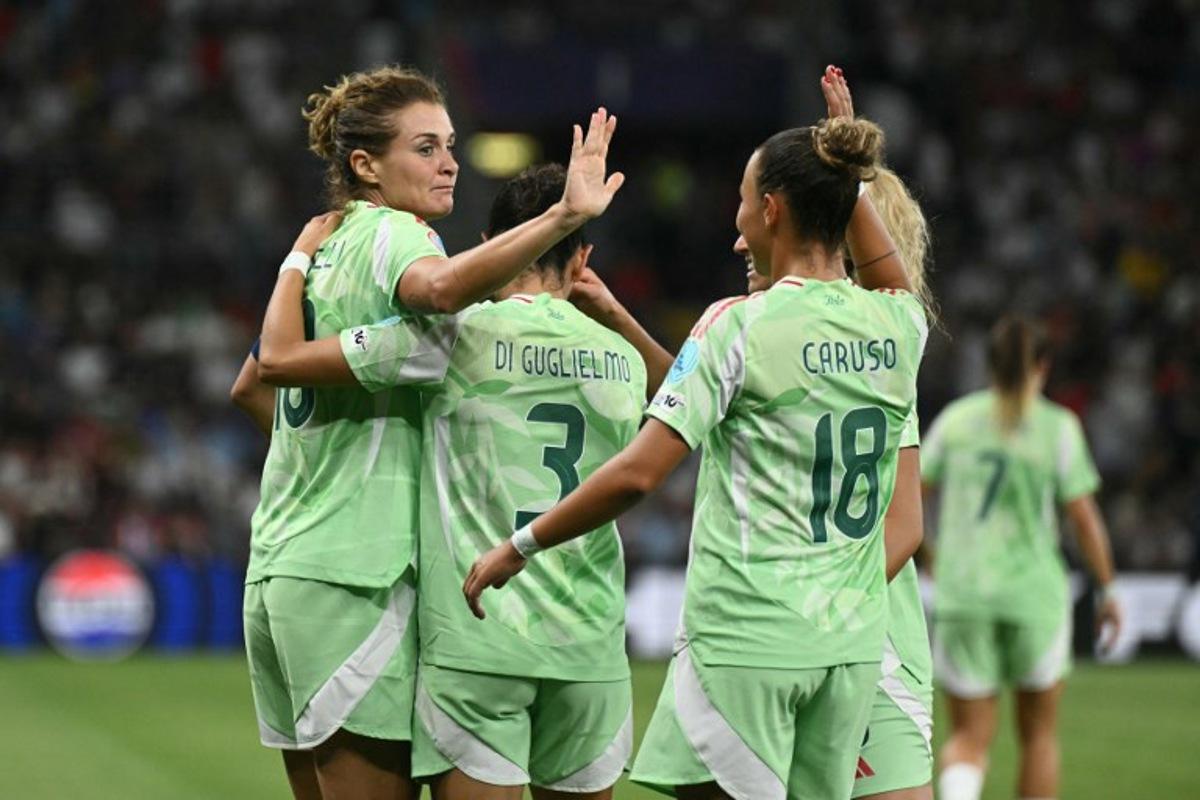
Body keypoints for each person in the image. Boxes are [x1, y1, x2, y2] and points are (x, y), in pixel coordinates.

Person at [465, 102, 927, 799]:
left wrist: (520, 545)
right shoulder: (901, 325)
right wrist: (850, 174)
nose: (736, 226)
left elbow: (640, 472)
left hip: (747, 639)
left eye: (742, 203)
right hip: (848, 650)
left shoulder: (736, 325)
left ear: (771, 210)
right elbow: (891, 277)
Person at [241, 63, 622, 800]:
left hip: (283, 566)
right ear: (365, 166)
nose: (449, 161)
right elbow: (439, 288)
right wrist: (562, 218)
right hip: (359, 577)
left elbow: (251, 382)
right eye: (425, 148)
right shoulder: (394, 234)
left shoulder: (325, 248)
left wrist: (336, 452)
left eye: (449, 144)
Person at [924, 315, 1122, 800]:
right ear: (1043, 365)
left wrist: (928, 554)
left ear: (989, 364)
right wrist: (1108, 590)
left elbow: (910, 492)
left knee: (968, 738)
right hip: (1034, 596)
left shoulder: (957, 420)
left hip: (963, 592)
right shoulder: (1058, 428)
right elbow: (1084, 518)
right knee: (1038, 737)